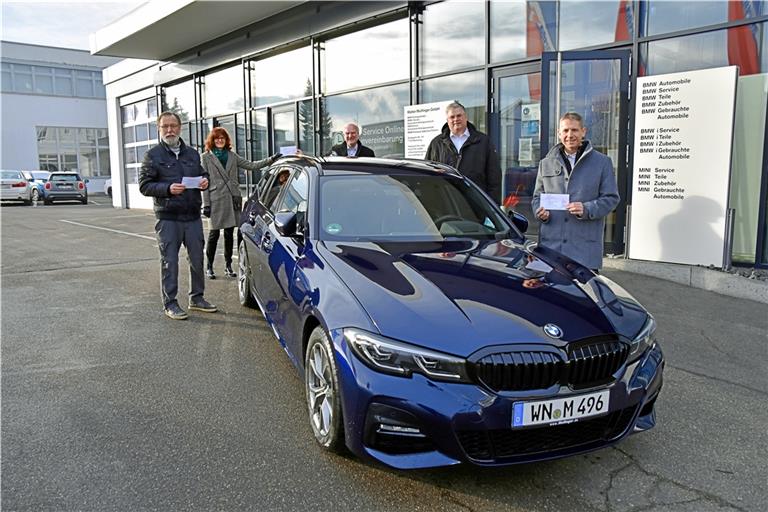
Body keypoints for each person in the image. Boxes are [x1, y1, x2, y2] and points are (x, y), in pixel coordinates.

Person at [139, 111, 217, 320]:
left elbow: (203, 173)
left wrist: (204, 181)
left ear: (180, 127)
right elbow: (144, 186)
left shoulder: (192, 153)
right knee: (169, 262)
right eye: (165, 126)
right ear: (159, 128)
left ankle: (197, 298)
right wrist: (167, 188)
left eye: (173, 125)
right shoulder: (153, 155)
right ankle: (170, 303)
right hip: (168, 218)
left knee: (197, 260)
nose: (170, 130)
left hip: (192, 216)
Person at [531, 112, 620, 271]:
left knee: (584, 294)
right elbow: (537, 198)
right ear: (559, 133)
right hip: (551, 250)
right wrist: (539, 213)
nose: (570, 135)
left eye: (574, 130)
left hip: (584, 251)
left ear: (583, 131)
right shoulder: (546, 163)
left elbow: (611, 198)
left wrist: (587, 209)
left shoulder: (602, 162)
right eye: (565, 131)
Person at [201, 127, 280, 279]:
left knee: (230, 234)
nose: (220, 140)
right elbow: (204, 182)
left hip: (232, 198)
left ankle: (228, 266)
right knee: (213, 235)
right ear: (212, 140)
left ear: (226, 140)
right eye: (217, 138)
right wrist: (206, 204)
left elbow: (251, 165)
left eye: (222, 138)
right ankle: (209, 266)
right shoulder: (205, 157)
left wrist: (271, 159)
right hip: (215, 199)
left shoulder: (232, 155)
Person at [424, 101, 501, 203]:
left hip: (476, 204)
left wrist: (493, 206)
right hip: (445, 204)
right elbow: (427, 174)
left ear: (466, 117)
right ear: (447, 120)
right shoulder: (436, 144)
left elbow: (494, 176)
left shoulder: (483, 141)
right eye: (452, 117)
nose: (456, 119)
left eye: (459, 115)